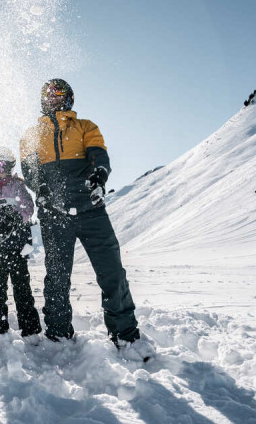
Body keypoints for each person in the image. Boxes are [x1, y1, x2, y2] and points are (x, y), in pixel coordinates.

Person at [19, 79, 155, 362]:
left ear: (69, 98)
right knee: (57, 277)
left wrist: (99, 176)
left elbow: (99, 156)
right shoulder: (31, 134)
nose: (53, 98)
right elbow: (30, 170)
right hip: (54, 213)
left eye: (59, 93)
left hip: (90, 208)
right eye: (48, 94)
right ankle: (58, 335)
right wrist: (40, 189)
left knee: (112, 271)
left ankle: (125, 334)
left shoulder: (85, 127)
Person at [0, 146, 42, 339]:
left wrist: (15, 218)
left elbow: (29, 207)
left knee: (22, 286)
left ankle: (30, 329)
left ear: (9, 167)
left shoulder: (16, 186)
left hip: (17, 246)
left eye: (1, 166)